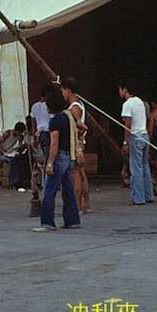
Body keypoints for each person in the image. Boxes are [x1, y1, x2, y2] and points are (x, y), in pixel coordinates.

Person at [33, 89, 81, 232]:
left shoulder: (54, 121)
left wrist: (50, 163)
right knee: (68, 191)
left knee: (49, 191)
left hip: (59, 157)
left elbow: (54, 144)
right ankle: (72, 221)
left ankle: (47, 222)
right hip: (69, 157)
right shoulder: (68, 117)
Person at [119, 79, 154, 206]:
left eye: (120, 89)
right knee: (145, 166)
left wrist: (125, 142)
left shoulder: (127, 104)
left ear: (125, 90)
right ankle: (148, 195)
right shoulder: (140, 102)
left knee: (136, 168)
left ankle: (138, 198)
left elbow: (127, 124)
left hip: (136, 137)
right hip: (144, 135)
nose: (119, 92)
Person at [61, 77, 91, 213]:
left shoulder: (74, 107)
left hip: (76, 145)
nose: (62, 94)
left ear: (68, 90)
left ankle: (78, 206)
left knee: (76, 175)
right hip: (79, 144)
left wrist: (79, 136)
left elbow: (80, 124)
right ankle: (86, 204)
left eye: (63, 90)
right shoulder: (80, 104)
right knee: (82, 173)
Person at [0, 122, 28, 189]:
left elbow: (20, 148)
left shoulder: (20, 136)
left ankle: (22, 180)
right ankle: (14, 181)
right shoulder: (8, 133)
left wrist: (20, 147)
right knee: (13, 161)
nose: (19, 134)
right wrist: (2, 151)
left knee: (21, 160)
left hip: (12, 153)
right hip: (3, 154)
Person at [30, 85, 52, 161]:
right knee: (48, 155)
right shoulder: (49, 106)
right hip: (48, 133)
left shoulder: (34, 106)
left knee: (43, 155)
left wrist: (33, 136)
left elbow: (33, 122)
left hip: (39, 134)